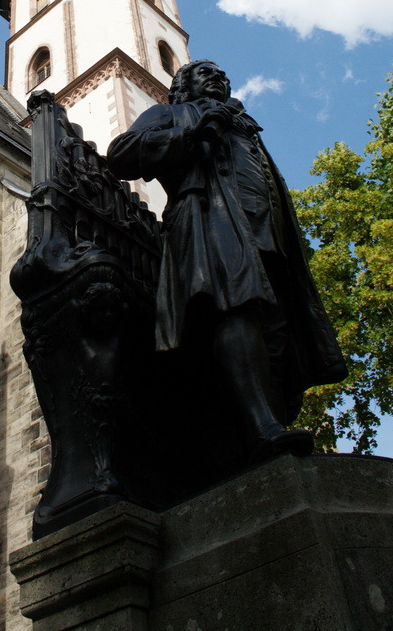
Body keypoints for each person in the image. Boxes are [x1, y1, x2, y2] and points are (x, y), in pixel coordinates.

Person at [106, 60, 347, 462]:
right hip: (210, 219)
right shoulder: (170, 113)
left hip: (268, 235)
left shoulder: (244, 127)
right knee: (236, 307)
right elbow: (122, 154)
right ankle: (259, 430)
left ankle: (266, 426)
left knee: (276, 327)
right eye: (205, 73)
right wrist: (192, 131)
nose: (218, 78)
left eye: (222, 75)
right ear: (182, 87)